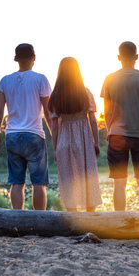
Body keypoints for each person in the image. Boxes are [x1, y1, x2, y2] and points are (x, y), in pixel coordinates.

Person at [0, 43, 52, 210]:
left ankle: (17, 219)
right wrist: (55, 135)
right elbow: (48, 111)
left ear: (16, 59)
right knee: (39, 183)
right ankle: (39, 220)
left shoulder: (5, 81)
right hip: (34, 136)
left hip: (13, 136)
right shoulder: (41, 79)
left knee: (17, 182)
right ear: (34, 58)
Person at [101, 41, 139, 213]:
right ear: (136, 57)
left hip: (117, 135)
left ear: (119, 57)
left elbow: (107, 111)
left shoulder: (109, 79)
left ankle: (119, 221)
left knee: (119, 183)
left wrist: (110, 130)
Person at [48, 57, 102, 212]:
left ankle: (73, 219)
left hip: (64, 140)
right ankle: (90, 216)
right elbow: (92, 120)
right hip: (84, 139)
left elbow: (55, 127)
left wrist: (55, 148)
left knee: (68, 179)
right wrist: (96, 142)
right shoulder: (85, 93)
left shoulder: (55, 96)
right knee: (87, 177)